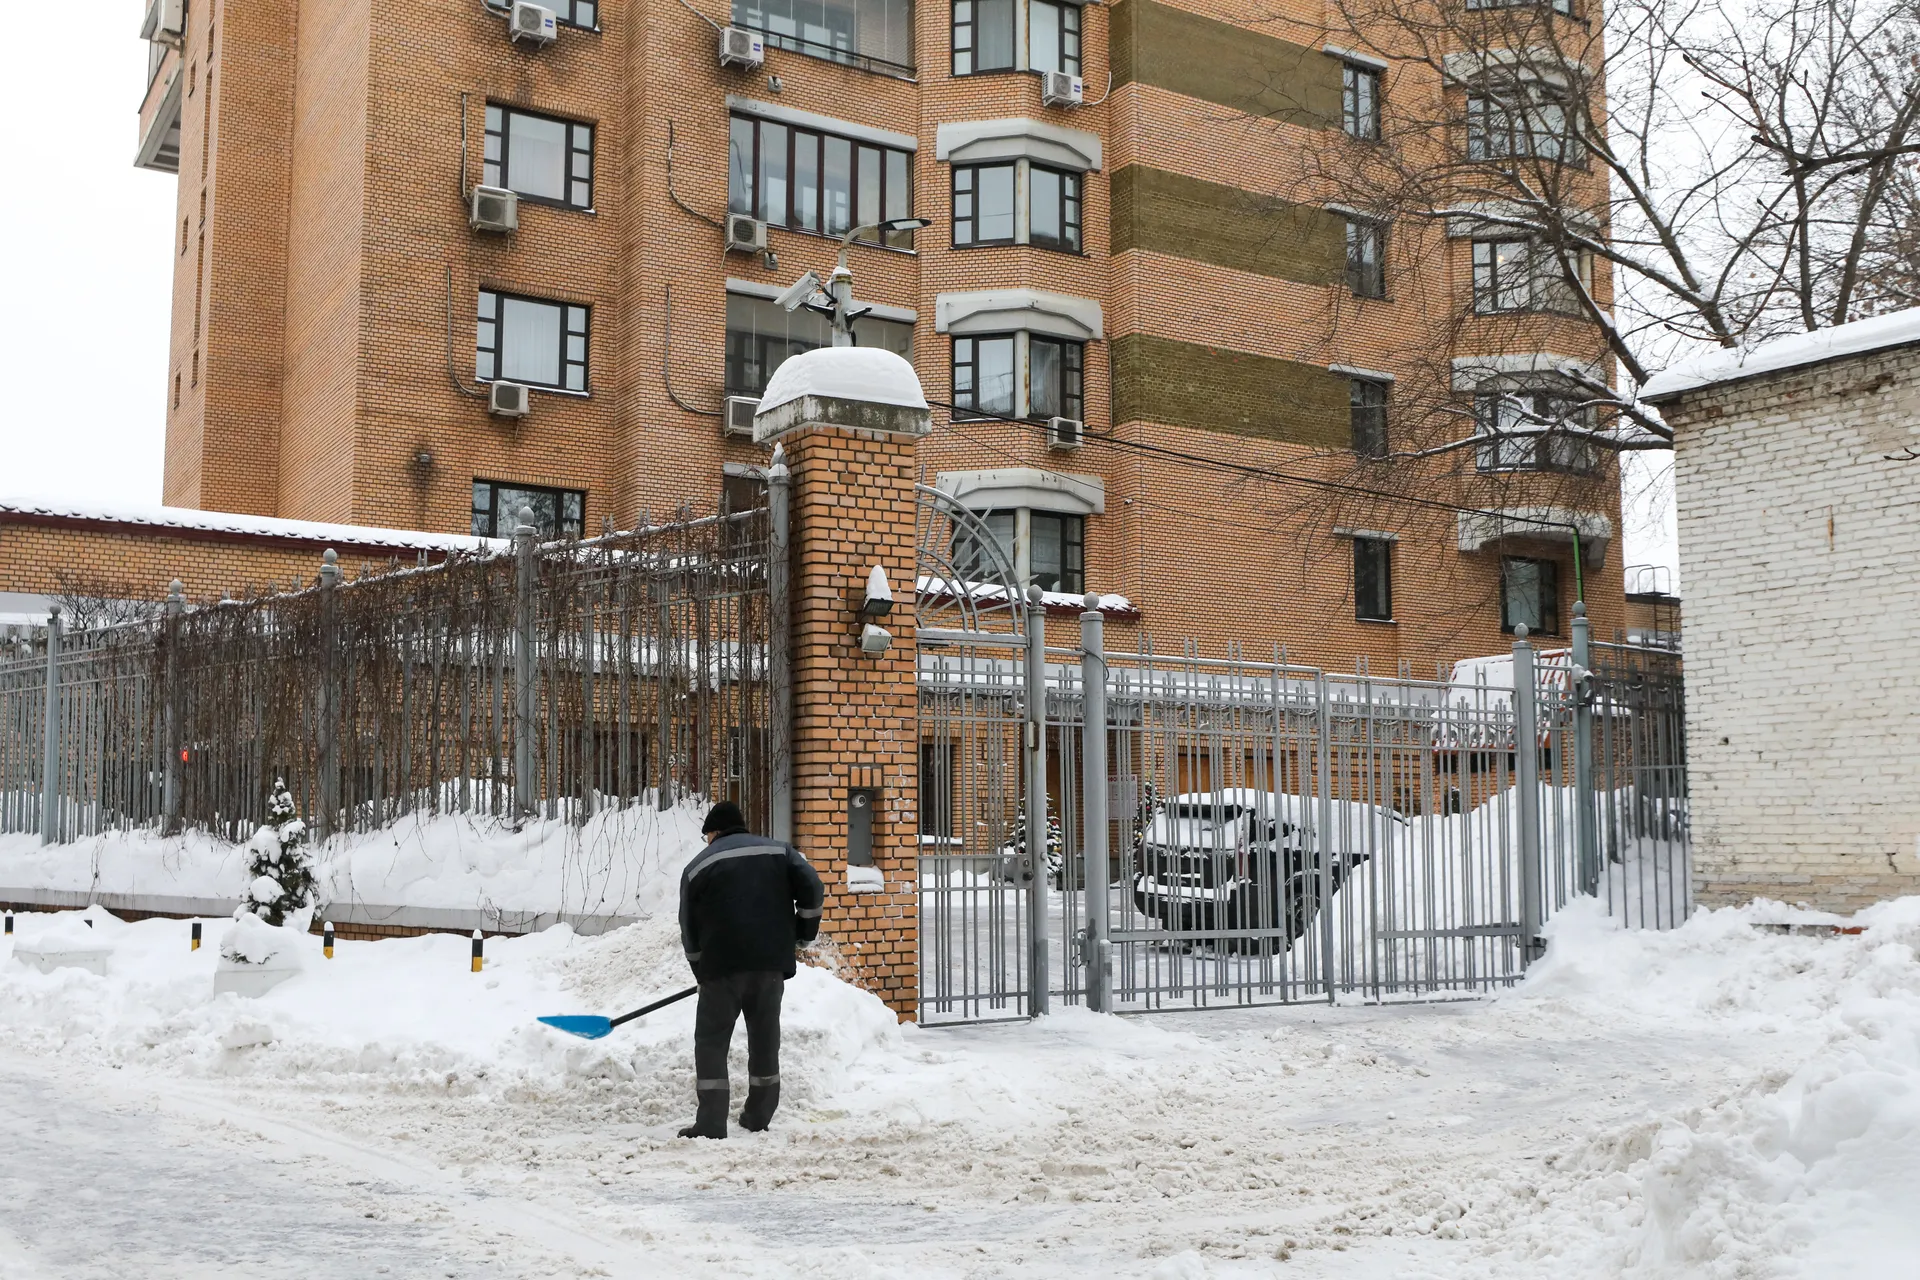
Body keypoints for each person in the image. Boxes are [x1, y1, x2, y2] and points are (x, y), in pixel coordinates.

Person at [676, 800, 825, 1139]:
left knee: (711, 1042)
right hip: (770, 966)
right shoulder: (780, 852)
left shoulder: (698, 867)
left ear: (713, 832)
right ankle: (758, 1115)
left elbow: (689, 927)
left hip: (721, 969)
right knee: (764, 1038)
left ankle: (712, 1123)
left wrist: (700, 970)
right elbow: (813, 888)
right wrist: (804, 933)